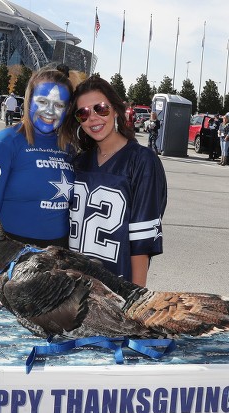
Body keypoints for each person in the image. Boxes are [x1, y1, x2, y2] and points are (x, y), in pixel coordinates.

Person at [0, 67, 75, 312]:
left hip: (55, 260)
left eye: (59, 105)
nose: (50, 111)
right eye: (42, 101)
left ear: (67, 109)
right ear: (28, 100)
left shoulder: (70, 148)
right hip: (8, 260)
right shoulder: (5, 143)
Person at [61, 76, 167, 287]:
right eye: (83, 113)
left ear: (117, 109)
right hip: (72, 289)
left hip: (117, 289)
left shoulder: (142, 160)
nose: (92, 118)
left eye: (100, 108)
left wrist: (136, 299)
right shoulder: (78, 162)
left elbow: (142, 241)